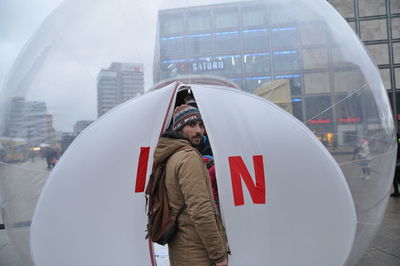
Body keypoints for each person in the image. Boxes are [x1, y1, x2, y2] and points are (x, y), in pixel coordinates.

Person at [153, 104, 229, 266]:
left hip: (181, 246)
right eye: (192, 125)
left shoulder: (172, 155)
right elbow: (200, 210)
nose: (199, 131)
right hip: (197, 251)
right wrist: (218, 255)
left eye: (201, 125)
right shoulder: (189, 158)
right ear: (179, 128)